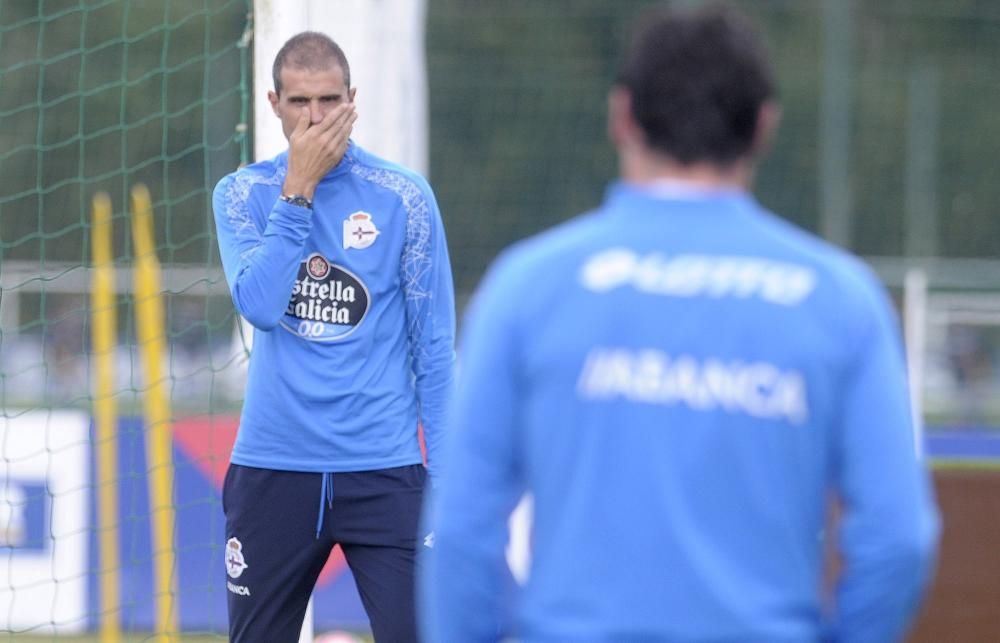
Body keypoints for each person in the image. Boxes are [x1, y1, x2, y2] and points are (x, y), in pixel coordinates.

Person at [420, 5, 939, 642]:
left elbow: (465, 531)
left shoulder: (526, 287)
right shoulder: (841, 301)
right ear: (764, 127)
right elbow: (898, 538)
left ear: (621, 115)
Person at [213, 31, 455, 642]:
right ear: (273, 104)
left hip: (384, 468)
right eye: (299, 103)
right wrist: (298, 193)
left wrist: (450, 478)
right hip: (274, 467)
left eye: (328, 101)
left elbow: (434, 350)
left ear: (353, 100)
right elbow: (261, 307)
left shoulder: (404, 198)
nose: (315, 118)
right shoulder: (243, 195)